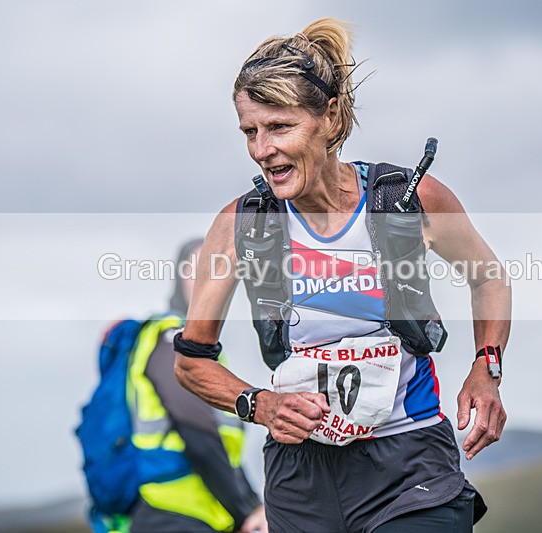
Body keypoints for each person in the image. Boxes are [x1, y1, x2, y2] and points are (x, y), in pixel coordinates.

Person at [174, 18, 511, 533]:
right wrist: (262, 405)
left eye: (279, 127)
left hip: (409, 463)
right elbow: (192, 362)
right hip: (300, 477)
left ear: (329, 117)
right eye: (250, 132)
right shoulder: (241, 224)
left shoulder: (406, 201)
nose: (261, 149)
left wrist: (486, 368)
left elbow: (488, 278)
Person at [121, 238, 267, 533]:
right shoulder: (171, 341)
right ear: (178, 278)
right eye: (195, 270)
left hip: (202, 515)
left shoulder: (203, 350)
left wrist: (252, 506)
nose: (205, 278)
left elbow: (225, 452)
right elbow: (200, 438)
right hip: (172, 516)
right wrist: (245, 513)